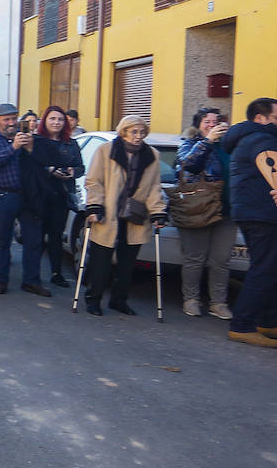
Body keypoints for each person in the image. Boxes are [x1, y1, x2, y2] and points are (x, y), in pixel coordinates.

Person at [82, 115, 167, 316]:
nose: (138, 136)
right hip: (108, 213)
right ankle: (93, 298)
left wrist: (158, 211)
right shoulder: (106, 150)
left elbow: (155, 186)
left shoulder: (152, 155)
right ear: (123, 132)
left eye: (142, 132)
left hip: (134, 215)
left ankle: (119, 300)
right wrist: (94, 206)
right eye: (134, 132)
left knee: (127, 264)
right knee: (100, 262)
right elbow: (94, 181)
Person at [219, 98, 277, 346]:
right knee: (263, 269)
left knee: (269, 269)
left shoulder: (248, 137)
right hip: (262, 214)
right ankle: (242, 325)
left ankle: (267, 321)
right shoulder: (263, 139)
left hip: (254, 212)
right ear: (261, 118)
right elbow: (273, 169)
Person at [0, 102, 51, 296]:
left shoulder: (28, 139)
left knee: (34, 240)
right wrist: (14, 147)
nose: (11, 123)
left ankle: (32, 281)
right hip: (2, 195)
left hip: (28, 196)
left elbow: (42, 163)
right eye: (6, 120)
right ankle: (1, 281)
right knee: (2, 241)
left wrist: (30, 149)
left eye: (13, 119)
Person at [175, 107, 234, 319]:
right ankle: (191, 299)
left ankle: (218, 303)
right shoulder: (190, 144)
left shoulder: (229, 146)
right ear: (198, 125)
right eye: (207, 121)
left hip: (226, 212)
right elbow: (187, 165)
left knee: (221, 260)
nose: (212, 125)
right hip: (198, 209)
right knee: (195, 258)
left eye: (216, 121)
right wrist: (207, 141)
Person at [32, 105, 84, 288]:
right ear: (45, 121)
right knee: (37, 237)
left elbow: (80, 167)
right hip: (39, 195)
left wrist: (71, 171)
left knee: (55, 236)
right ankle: (33, 275)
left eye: (60, 119)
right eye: (52, 119)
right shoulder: (36, 141)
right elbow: (31, 166)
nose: (56, 122)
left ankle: (56, 273)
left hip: (61, 195)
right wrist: (50, 170)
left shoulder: (71, 143)